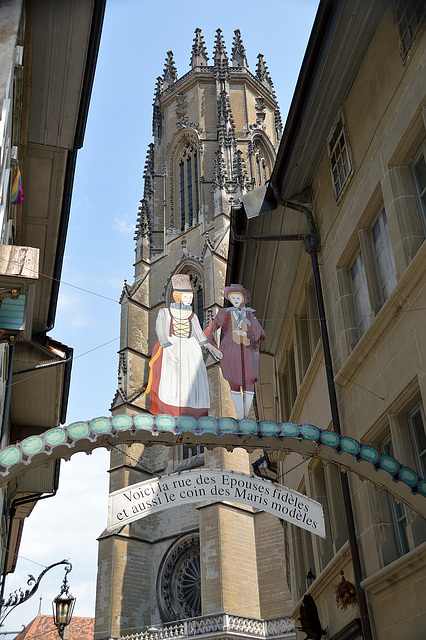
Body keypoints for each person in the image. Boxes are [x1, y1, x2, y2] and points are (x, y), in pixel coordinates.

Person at [146, 274, 222, 417]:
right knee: (172, 381)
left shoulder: (192, 316)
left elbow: (200, 337)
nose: (190, 300)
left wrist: (214, 349)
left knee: (190, 381)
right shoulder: (165, 312)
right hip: (172, 347)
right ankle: (172, 412)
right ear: (179, 297)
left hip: (190, 351)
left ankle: (191, 412)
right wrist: (170, 351)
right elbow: (161, 333)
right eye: (187, 297)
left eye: (191, 297)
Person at [205, 284, 265, 420]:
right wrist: (215, 350)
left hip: (248, 352)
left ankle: (244, 415)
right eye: (233, 298)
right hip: (231, 353)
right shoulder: (224, 313)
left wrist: (247, 333)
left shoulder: (249, 314)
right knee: (234, 383)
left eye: (238, 297)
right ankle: (239, 416)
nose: (236, 300)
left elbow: (261, 334)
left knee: (249, 383)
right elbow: (208, 332)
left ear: (243, 299)